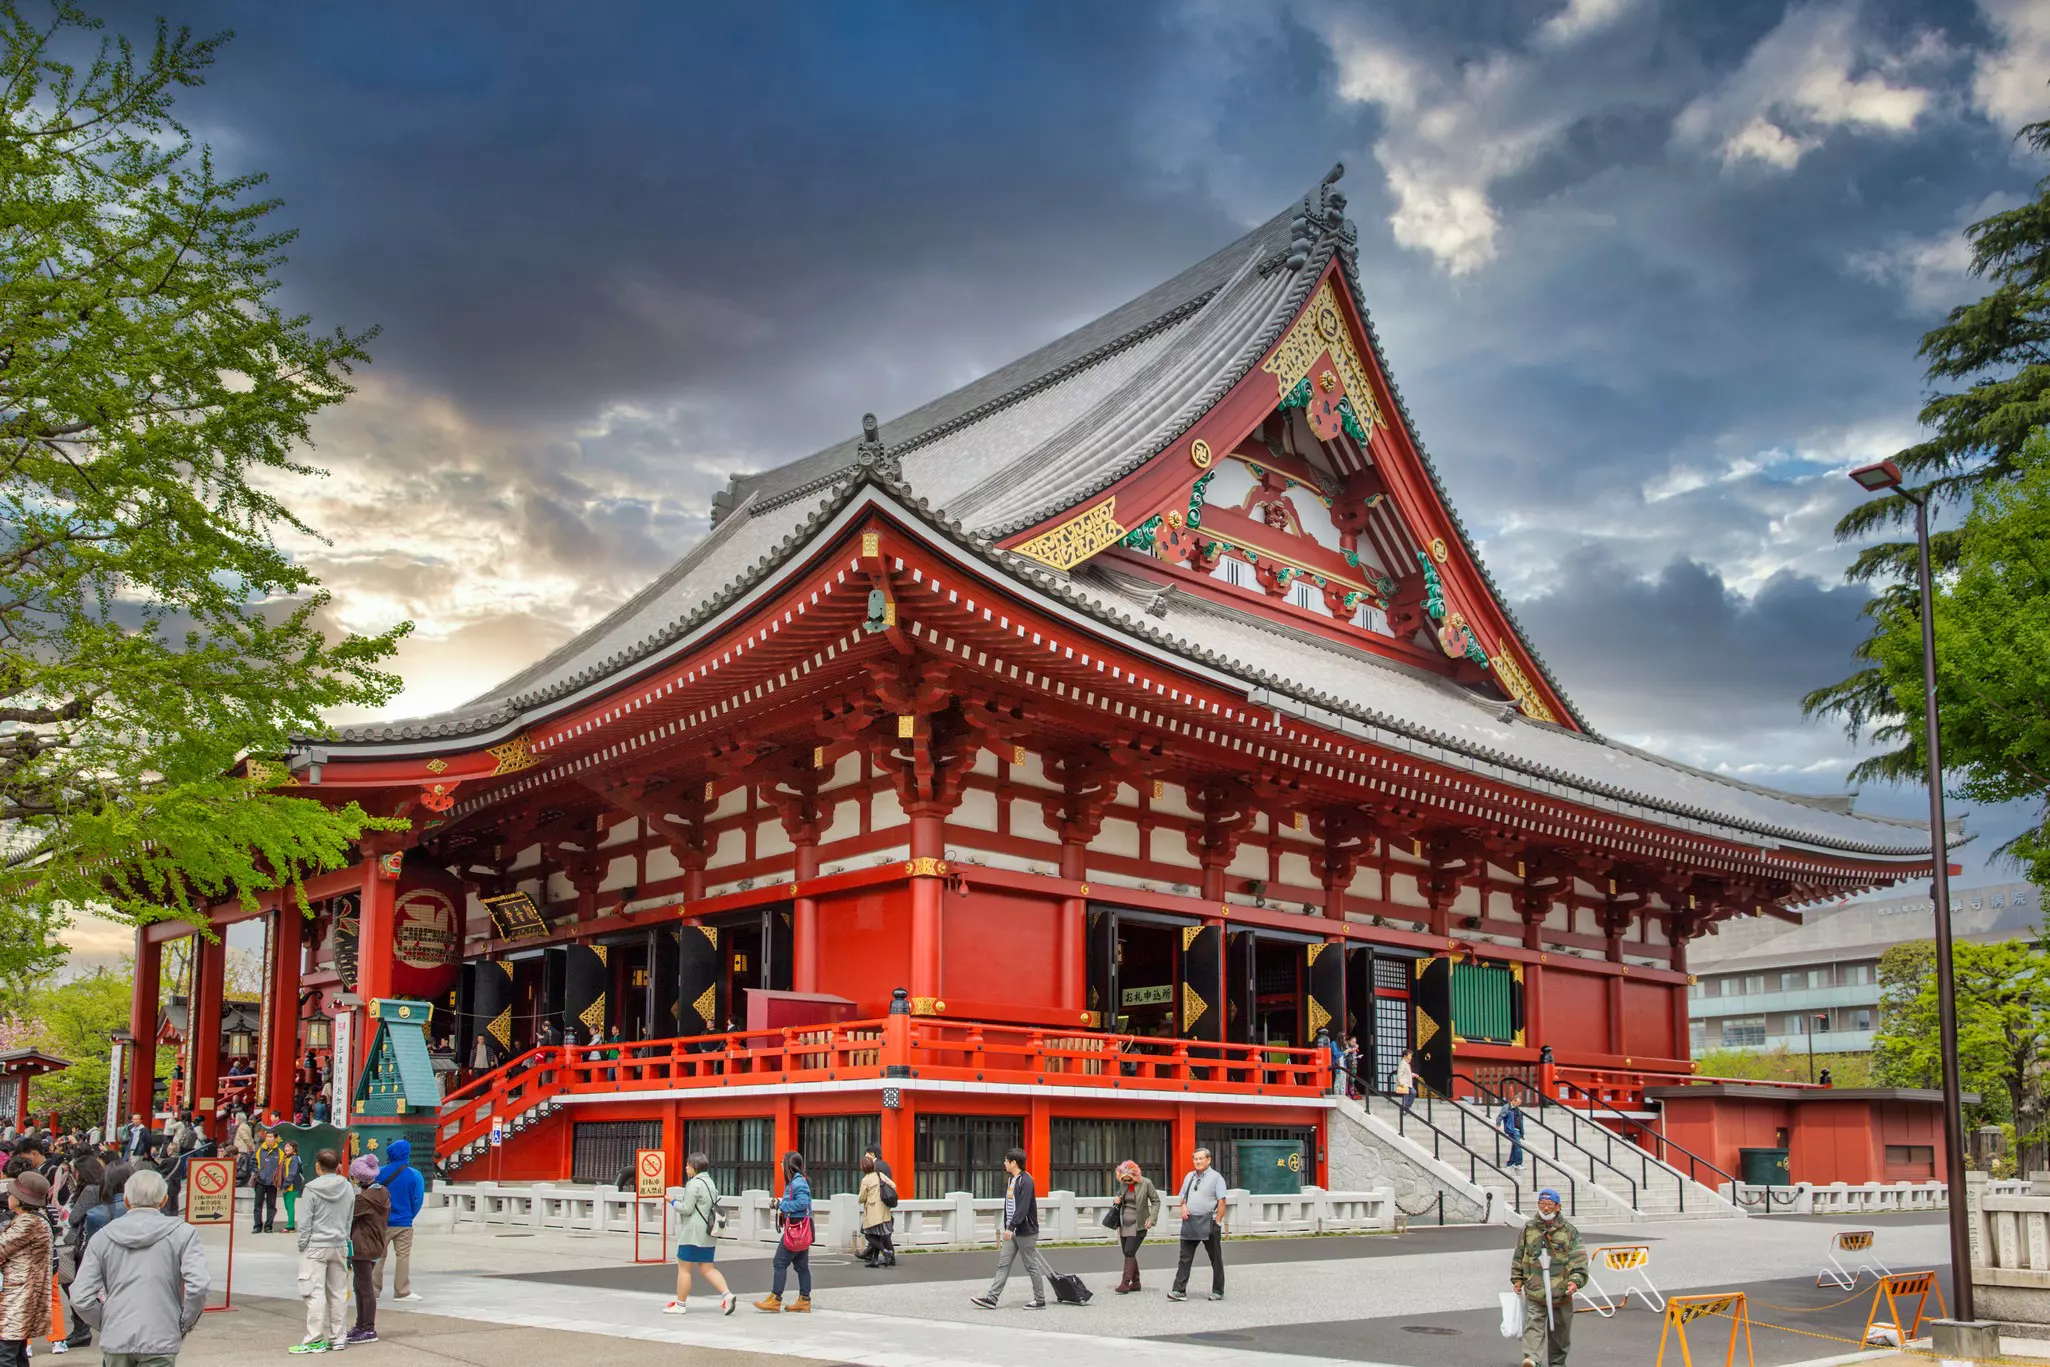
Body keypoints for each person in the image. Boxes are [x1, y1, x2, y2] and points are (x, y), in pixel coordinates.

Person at [67, 1168, 207, 1367]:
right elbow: (199, 1286)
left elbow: (80, 1296)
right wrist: (184, 1323)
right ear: (164, 1200)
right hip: (161, 1334)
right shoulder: (183, 1233)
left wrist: (107, 1322)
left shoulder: (102, 1237)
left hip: (117, 1335)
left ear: (126, 1201)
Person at [1511, 1189, 1586, 1367]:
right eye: (1541, 1204)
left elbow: (1579, 1259)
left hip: (1561, 1292)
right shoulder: (1529, 1229)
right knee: (1533, 1326)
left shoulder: (1568, 1231)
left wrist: (1575, 1281)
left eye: (1549, 1205)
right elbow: (1519, 1255)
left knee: (1560, 1334)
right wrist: (1517, 1278)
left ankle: (1557, 1364)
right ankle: (1533, 1360)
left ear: (1558, 1207)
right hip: (1535, 1289)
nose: (1545, 1209)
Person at [290, 1150, 354, 1354]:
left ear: (318, 1166)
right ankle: (338, 1337)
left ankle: (314, 1339)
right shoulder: (348, 1187)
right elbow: (349, 1218)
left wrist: (303, 1245)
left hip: (316, 1245)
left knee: (314, 1292)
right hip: (339, 1244)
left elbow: (305, 1222)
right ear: (337, 1166)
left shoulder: (311, 1189)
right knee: (338, 1293)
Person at [969, 1148, 1051, 1310]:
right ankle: (992, 1298)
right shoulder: (1011, 1180)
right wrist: (1008, 1226)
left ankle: (1040, 1300)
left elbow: (1023, 1207)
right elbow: (1010, 1206)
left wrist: (1011, 1227)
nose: (1004, 1163)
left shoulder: (1026, 1181)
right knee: (1003, 1265)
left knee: (1031, 1265)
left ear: (1014, 1163)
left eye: (1006, 1161)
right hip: (1011, 1230)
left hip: (1026, 1231)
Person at [666, 1152, 735, 1315]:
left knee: (684, 1269)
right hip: (708, 1233)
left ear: (694, 1166)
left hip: (692, 1234)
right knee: (707, 1268)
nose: (686, 1167)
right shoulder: (710, 1183)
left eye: (688, 1164)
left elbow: (687, 1208)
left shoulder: (694, 1184)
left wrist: (672, 1202)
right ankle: (727, 1295)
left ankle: (680, 1304)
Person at [0, 1171, 55, 1367]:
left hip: (19, 1297)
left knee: (5, 1355)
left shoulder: (28, 1223)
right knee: (17, 1354)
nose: (8, 1196)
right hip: (23, 1296)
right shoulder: (37, 1219)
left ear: (22, 1199)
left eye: (12, 1193)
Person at [753, 1152, 813, 1314]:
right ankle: (804, 1300)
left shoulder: (798, 1182)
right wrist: (781, 1203)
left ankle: (775, 1298)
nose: (780, 1165)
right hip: (802, 1228)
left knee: (779, 1262)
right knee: (801, 1266)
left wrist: (782, 1204)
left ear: (789, 1165)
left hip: (796, 1227)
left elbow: (802, 1203)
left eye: (782, 1162)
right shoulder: (797, 1181)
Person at [1167, 1146, 1229, 1302]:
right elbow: (1183, 1196)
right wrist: (1183, 1207)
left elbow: (1222, 1201)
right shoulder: (1189, 1176)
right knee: (1184, 1258)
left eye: (1201, 1158)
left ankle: (1218, 1291)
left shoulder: (1217, 1178)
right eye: (1195, 1159)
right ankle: (1179, 1290)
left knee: (1215, 1258)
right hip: (1190, 1221)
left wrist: (1218, 1221)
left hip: (1209, 1222)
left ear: (1209, 1160)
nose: (1198, 1161)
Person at [345, 1155, 389, 1346]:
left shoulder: (363, 1199)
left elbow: (348, 1215)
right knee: (360, 1286)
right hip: (375, 1244)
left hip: (363, 1245)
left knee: (364, 1288)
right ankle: (361, 1325)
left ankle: (368, 1328)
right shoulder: (383, 1192)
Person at [374, 1139, 424, 1302]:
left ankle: (373, 1290)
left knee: (378, 1256)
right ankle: (402, 1291)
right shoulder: (415, 1175)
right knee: (403, 1256)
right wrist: (409, 1215)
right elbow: (418, 1199)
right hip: (404, 1222)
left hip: (381, 1222)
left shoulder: (379, 1173)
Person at [1111, 1159, 1160, 1295]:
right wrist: (1116, 1200)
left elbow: (1156, 1201)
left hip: (1140, 1224)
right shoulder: (1123, 1184)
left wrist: (1152, 1218)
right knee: (1128, 1253)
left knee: (1129, 1252)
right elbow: (1119, 1199)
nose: (1127, 1183)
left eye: (1129, 1180)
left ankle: (1125, 1283)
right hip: (1125, 1223)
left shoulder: (1146, 1183)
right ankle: (1136, 1282)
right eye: (1124, 1180)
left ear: (1136, 1176)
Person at [859, 1143, 896, 1267]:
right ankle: (875, 1258)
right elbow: (892, 1185)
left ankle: (887, 1254)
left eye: (866, 1153)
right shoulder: (885, 1165)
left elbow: (864, 1195)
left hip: (875, 1207)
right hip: (885, 1204)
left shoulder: (875, 1168)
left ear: (872, 1153)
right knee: (880, 1233)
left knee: (873, 1233)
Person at [253, 1130, 284, 1234]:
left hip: (272, 1183)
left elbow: (281, 1168)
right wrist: (257, 1171)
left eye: (271, 1137)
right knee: (258, 1205)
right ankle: (257, 1226)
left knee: (271, 1206)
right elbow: (253, 1162)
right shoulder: (259, 1150)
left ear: (275, 1139)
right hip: (260, 1182)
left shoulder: (280, 1152)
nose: (269, 1139)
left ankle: (268, 1226)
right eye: (267, 1137)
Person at [280, 1143, 304, 1234]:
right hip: (288, 1184)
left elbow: (292, 1173)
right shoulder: (288, 1158)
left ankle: (290, 1226)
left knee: (289, 1205)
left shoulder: (293, 1158)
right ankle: (291, 1224)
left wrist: (286, 1185)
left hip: (292, 1185)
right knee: (287, 1205)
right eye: (285, 1146)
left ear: (294, 1149)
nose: (286, 1148)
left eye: (289, 1147)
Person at [1500, 1100, 1526, 1170]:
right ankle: (1518, 1163)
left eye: (1519, 1103)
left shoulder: (1517, 1110)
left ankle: (1510, 1163)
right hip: (1512, 1129)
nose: (1518, 1105)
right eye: (1517, 1103)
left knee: (1515, 1146)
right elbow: (1501, 1115)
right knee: (1518, 1146)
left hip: (1518, 1130)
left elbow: (1520, 1121)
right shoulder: (1507, 1107)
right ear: (1513, 1101)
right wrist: (1498, 1124)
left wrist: (1522, 1132)